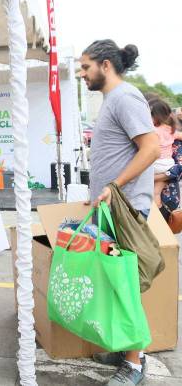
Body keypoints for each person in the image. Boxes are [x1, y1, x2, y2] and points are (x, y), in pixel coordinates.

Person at [79, 39, 160, 385]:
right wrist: (100, 192)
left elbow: (152, 148)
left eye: (86, 67)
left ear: (105, 65)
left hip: (124, 209)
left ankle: (134, 364)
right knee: (114, 282)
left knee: (124, 284)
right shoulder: (113, 100)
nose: (82, 73)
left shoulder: (125, 98)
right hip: (112, 207)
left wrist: (113, 187)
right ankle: (124, 347)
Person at [149, 99, 182, 206]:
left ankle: (153, 217)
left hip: (155, 164)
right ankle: (158, 217)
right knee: (156, 192)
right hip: (168, 165)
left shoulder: (152, 131)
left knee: (152, 192)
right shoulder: (170, 130)